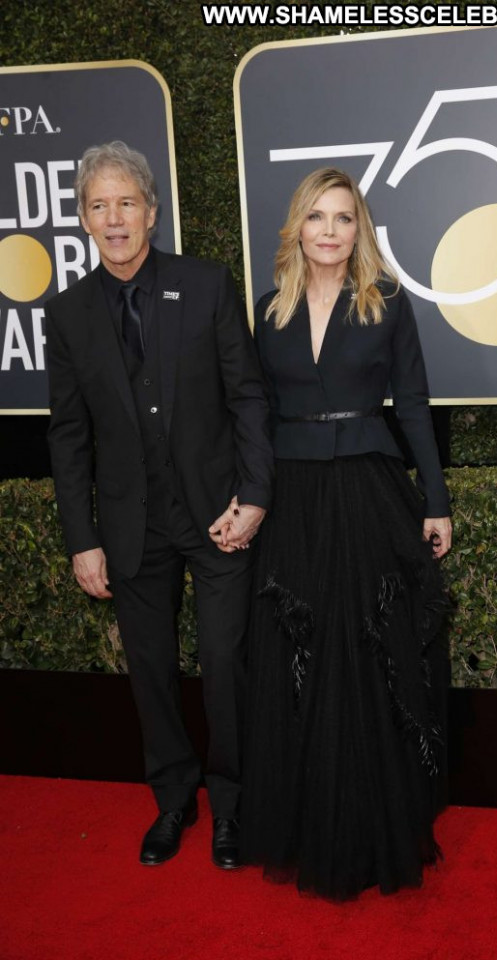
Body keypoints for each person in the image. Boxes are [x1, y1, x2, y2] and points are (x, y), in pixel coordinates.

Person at [45, 141, 273, 870]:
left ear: (151, 210)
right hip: (130, 526)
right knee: (150, 670)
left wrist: (254, 495)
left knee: (225, 663)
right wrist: (82, 538)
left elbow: (247, 397)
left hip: (218, 516)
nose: (114, 219)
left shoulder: (205, 285)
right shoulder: (68, 314)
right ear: (84, 219)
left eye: (126, 203)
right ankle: (173, 799)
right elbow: (68, 435)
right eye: (98, 206)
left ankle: (233, 804)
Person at [234, 168, 452, 900]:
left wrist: (436, 499)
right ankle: (304, 824)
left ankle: (372, 823)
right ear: (297, 227)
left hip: (366, 488)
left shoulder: (387, 301)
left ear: (360, 229)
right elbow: (256, 415)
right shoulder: (269, 310)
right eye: (317, 217)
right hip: (293, 495)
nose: (330, 231)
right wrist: (250, 494)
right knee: (299, 652)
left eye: (344, 217)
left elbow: (414, 404)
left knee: (367, 653)